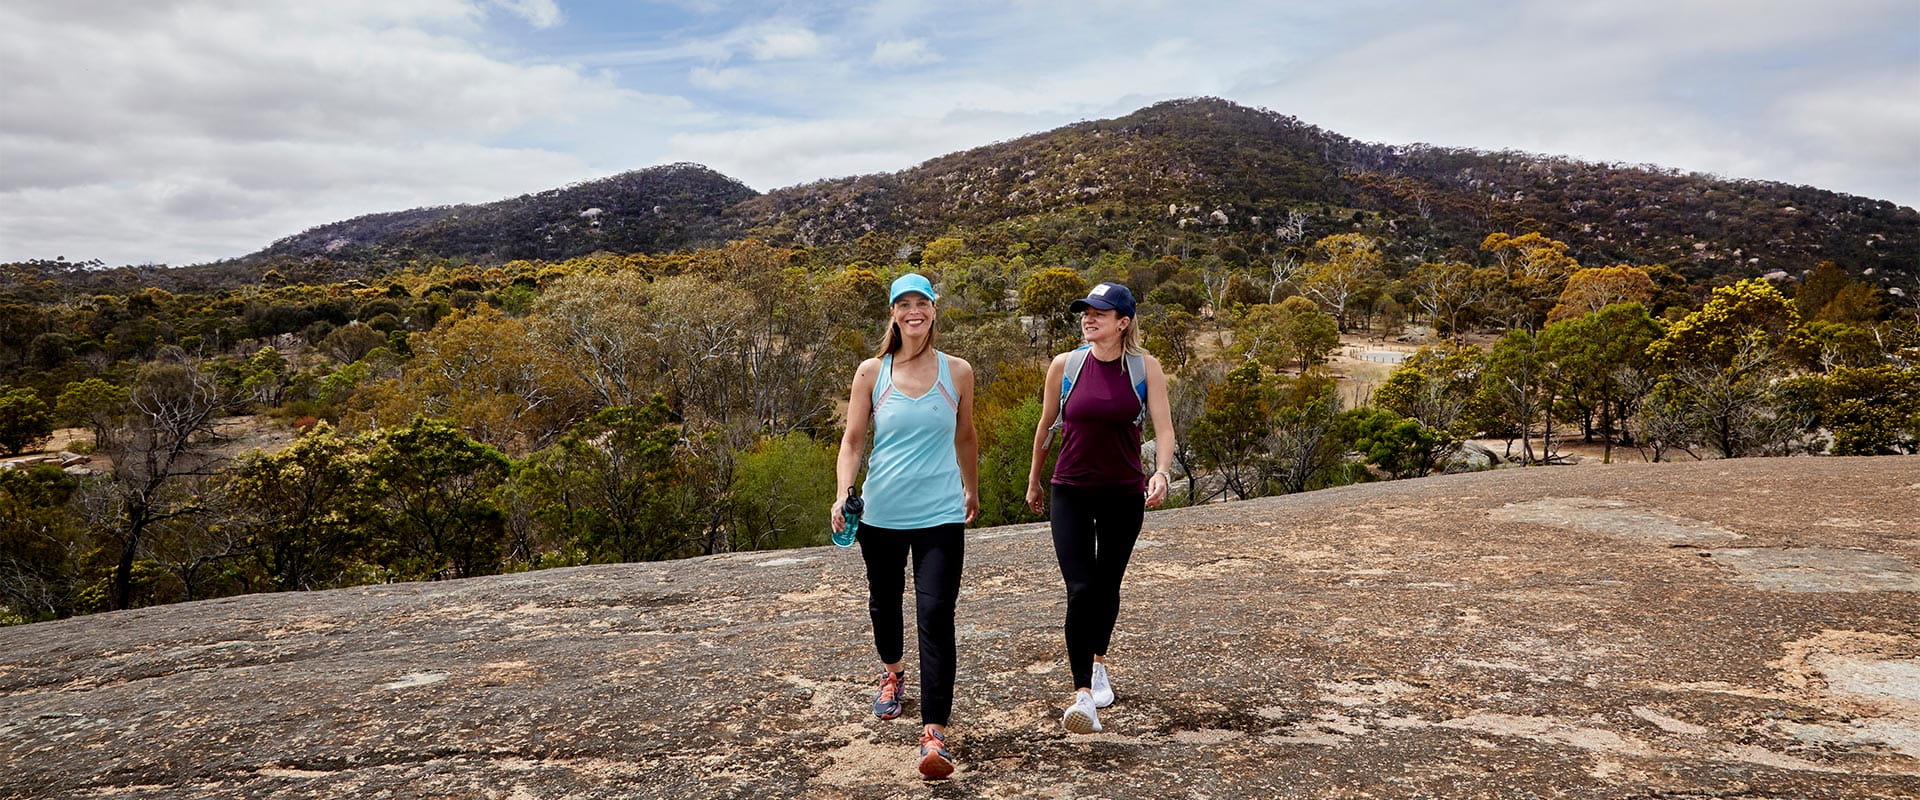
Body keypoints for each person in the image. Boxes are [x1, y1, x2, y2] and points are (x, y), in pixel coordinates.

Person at [831, 272, 979, 779]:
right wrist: (841, 492)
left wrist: (972, 489)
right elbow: (852, 441)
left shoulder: (958, 372)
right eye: (903, 304)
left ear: (934, 309)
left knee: (937, 615)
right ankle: (893, 674)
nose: (913, 311)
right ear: (893, 313)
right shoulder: (872, 372)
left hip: (940, 514)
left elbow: (966, 438)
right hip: (882, 514)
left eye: (922, 302)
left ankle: (935, 734)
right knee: (883, 602)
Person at [1024, 281, 1175, 735]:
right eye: (1085, 312)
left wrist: (1162, 471)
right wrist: (1034, 479)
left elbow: (1164, 430)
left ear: (1122, 322)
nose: (1089, 319)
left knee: (1107, 585)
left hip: (1123, 493)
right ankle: (1083, 695)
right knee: (1081, 588)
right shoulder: (1065, 365)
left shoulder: (1144, 368)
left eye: (1100, 314)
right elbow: (1046, 425)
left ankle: (1098, 660)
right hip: (1070, 489)